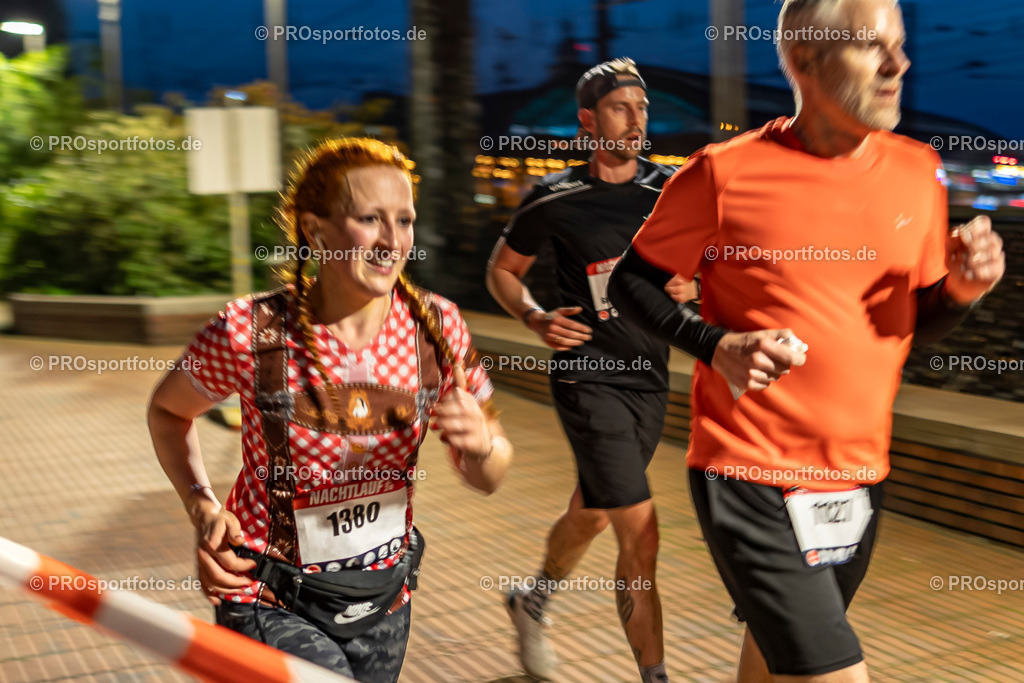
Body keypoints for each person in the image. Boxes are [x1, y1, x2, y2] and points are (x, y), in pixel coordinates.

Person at [608, 1, 1006, 681]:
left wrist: (963, 291)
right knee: (835, 672)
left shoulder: (918, 171)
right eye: (870, 46)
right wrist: (715, 343)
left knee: (773, 662)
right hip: (749, 470)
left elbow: (905, 326)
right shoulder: (723, 172)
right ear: (803, 60)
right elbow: (631, 285)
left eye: (901, 46)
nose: (898, 64)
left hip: (858, 476)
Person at [148, 138, 512, 683]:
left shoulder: (437, 329)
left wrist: (481, 444)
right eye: (371, 219)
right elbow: (168, 412)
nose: (393, 240)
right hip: (267, 592)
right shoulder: (251, 332)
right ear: (316, 230)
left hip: (382, 598)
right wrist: (201, 505)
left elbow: (489, 476)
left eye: (405, 220)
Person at [486, 57, 694, 683]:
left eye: (642, 110)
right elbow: (502, 270)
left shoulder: (669, 191)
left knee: (598, 509)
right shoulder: (554, 197)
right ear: (588, 120)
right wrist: (534, 318)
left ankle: (532, 599)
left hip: (648, 379)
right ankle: (655, 675)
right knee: (640, 530)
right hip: (587, 375)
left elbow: (713, 262)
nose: (636, 121)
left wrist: (697, 283)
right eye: (620, 109)